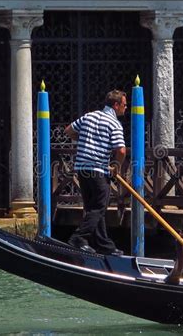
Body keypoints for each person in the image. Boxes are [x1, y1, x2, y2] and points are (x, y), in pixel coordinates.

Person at [64, 89, 127, 256]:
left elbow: (68, 131)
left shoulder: (89, 116)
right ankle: (79, 237)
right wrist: (116, 167)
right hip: (98, 169)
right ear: (116, 105)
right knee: (99, 207)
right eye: (124, 105)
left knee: (92, 208)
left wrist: (84, 138)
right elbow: (121, 151)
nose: (125, 108)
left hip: (82, 169)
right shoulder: (114, 124)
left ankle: (104, 245)